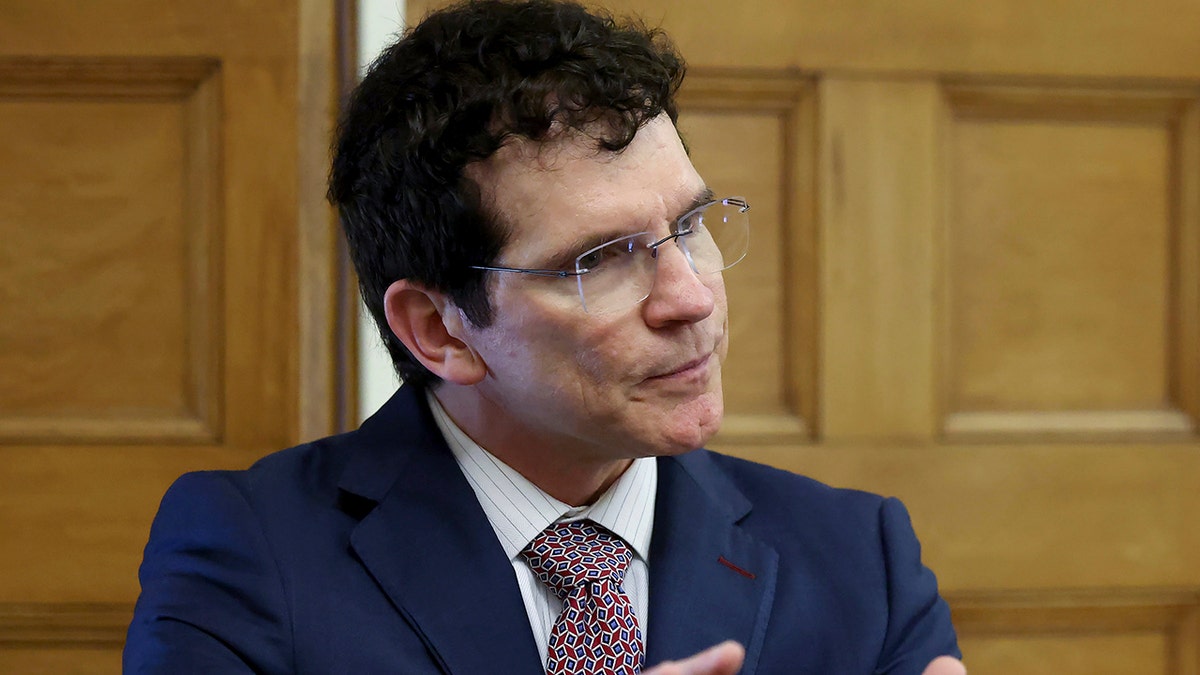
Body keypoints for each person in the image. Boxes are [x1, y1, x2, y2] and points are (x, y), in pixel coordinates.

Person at [124, 1, 965, 673]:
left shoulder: (861, 561)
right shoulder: (250, 555)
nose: (690, 296)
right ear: (439, 329)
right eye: (601, 259)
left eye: (689, 225)